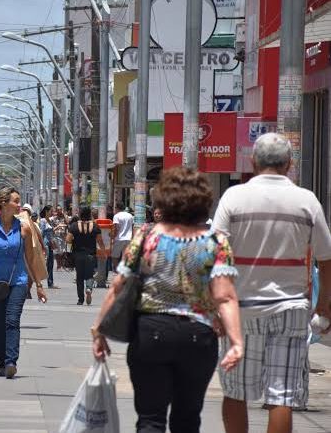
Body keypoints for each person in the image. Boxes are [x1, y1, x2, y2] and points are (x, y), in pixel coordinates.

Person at [91, 167, 244, 433]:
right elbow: (225, 296)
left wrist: (99, 330)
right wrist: (236, 342)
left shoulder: (147, 238)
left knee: (150, 419)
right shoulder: (216, 242)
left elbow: (118, 286)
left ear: (163, 200)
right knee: (188, 418)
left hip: (151, 332)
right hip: (199, 336)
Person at [213, 133, 331, 433]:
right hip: (291, 309)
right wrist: (324, 306)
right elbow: (326, 258)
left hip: (240, 309)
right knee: (282, 395)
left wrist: (213, 306)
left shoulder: (234, 197)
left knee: (235, 391)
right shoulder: (306, 200)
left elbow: (215, 255)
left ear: (253, 162)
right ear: (289, 164)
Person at [0, 188, 47, 379]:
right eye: (15, 201)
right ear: (4, 203)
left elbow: (30, 260)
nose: (19, 204)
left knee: (12, 320)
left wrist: (38, 285)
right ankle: (2, 364)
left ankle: (11, 361)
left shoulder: (24, 228)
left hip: (18, 281)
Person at [67, 205, 105, 306]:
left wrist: (68, 252)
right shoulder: (95, 226)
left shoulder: (74, 226)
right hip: (91, 255)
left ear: (80, 213)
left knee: (79, 277)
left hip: (78, 255)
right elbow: (100, 241)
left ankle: (80, 299)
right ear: (90, 214)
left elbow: (68, 240)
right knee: (89, 275)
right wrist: (104, 252)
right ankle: (88, 288)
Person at [17, 203, 48, 299]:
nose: (25, 212)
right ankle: (25, 290)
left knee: (29, 271)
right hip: (22, 250)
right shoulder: (19, 221)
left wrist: (43, 247)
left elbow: (39, 236)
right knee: (26, 271)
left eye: (27, 211)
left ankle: (27, 290)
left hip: (30, 250)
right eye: (24, 210)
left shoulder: (32, 224)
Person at [112, 201, 134, 271]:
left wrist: (112, 237)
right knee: (124, 256)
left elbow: (115, 228)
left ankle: (118, 270)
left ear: (117, 208)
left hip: (119, 238)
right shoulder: (130, 216)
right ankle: (123, 271)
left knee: (114, 256)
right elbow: (132, 227)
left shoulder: (116, 216)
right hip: (129, 238)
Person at [39, 205, 56, 288]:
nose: (52, 213)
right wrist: (41, 245)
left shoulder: (50, 221)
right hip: (45, 244)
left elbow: (51, 233)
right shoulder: (42, 221)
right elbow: (41, 233)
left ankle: (50, 282)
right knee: (44, 263)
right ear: (46, 211)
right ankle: (38, 281)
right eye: (51, 211)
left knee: (50, 264)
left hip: (50, 244)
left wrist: (53, 242)